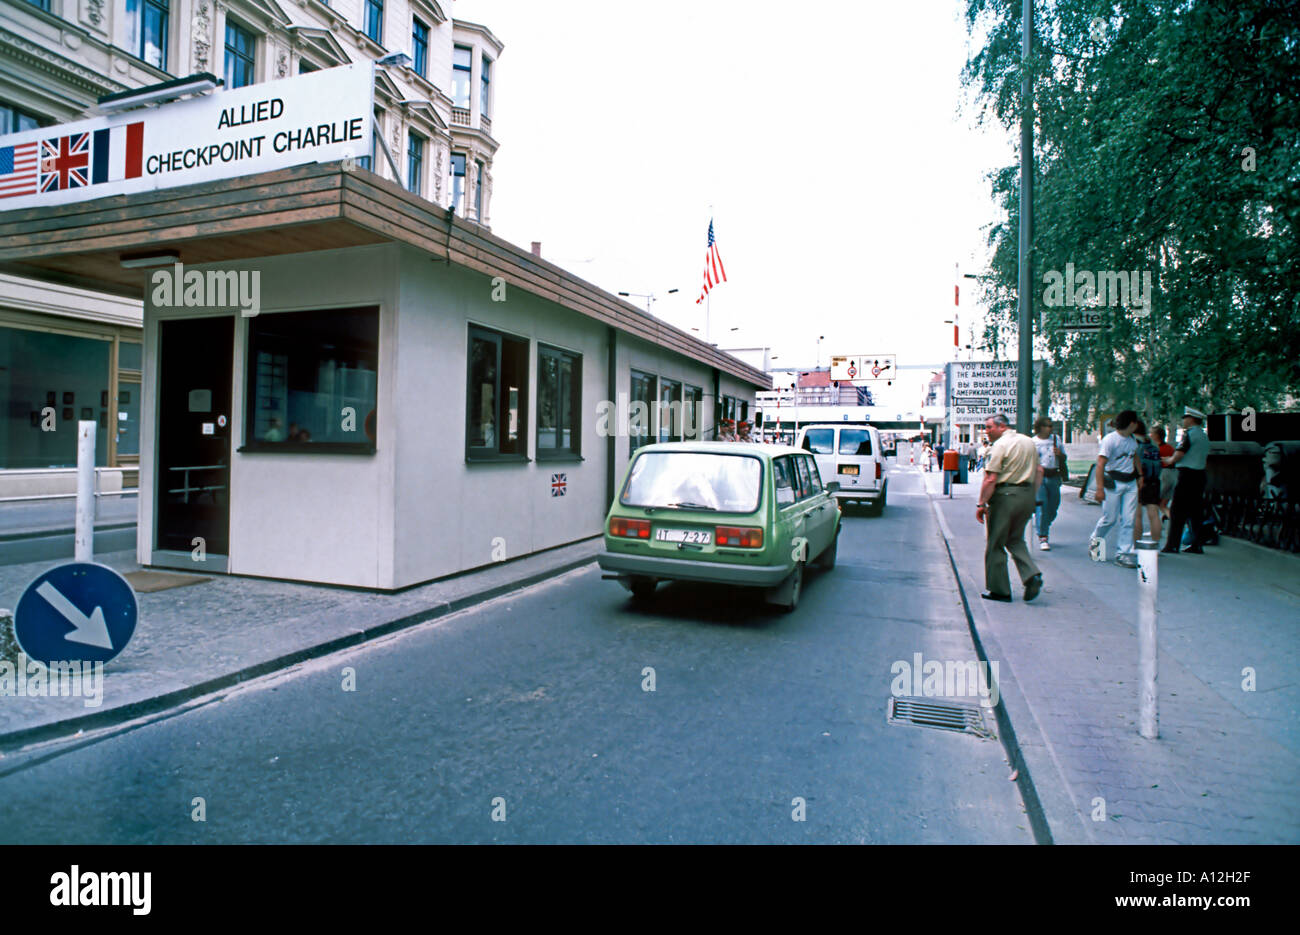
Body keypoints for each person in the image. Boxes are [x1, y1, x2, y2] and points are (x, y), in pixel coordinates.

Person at [975, 413, 1044, 603]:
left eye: (989, 427)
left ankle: (1000, 590)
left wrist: (981, 503)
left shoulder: (1000, 446)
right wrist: (1031, 494)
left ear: (1002, 426)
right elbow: (1039, 470)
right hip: (1027, 495)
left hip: (1005, 496)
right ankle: (1032, 575)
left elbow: (991, 478)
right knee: (1015, 539)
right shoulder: (1028, 442)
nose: (986, 431)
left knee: (996, 543)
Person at [1089, 409, 1141, 568]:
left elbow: (1135, 457)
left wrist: (1140, 475)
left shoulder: (1133, 440)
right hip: (1114, 482)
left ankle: (1123, 554)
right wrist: (1099, 489)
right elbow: (1100, 464)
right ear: (1131, 423)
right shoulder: (1110, 440)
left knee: (1129, 519)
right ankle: (1096, 543)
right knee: (1109, 519)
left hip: (1130, 483)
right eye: (1136, 422)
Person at [1161, 406, 1210, 554]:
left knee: (1177, 511)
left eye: (1185, 418)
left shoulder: (1189, 435)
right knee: (1195, 511)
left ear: (1191, 419)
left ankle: (1172, 545)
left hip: (1186, 476)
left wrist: (1169, 460)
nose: (1183, 421)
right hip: (1200, 475)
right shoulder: (1203, 436)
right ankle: (1197, 544)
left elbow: (1179, 454)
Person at [1031, 416, 1066, 550]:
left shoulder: (1056, 440)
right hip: (1039, 476)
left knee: (1054, 506)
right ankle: (1043, 536)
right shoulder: (1033, 442)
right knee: (1043, 505)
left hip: (1053, 475)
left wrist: (1060, 455)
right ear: (1040, 427)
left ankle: (1044, 522)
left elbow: (1064, 457)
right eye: (1048, 426)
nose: (1051, 428)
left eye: (1051, 426)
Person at [1132, 420, 1164, 548]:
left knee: (1137, 515)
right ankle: (1156, 544)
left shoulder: (1133, 443)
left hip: (1138, 480)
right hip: (1154, 481)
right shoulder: (1152, 443)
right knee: (1154, 513)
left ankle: (1136, 544)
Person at [1152, 425, 1176, 520]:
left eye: (1152, 433)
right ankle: (1172, 519)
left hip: (1163, 475)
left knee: (1153, 503)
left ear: (1156, 436)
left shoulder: (1156, 449)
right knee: (1163, 504)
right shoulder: (1170, 447)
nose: (1150, 435)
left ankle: (1155, 525)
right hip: (1173, 474)